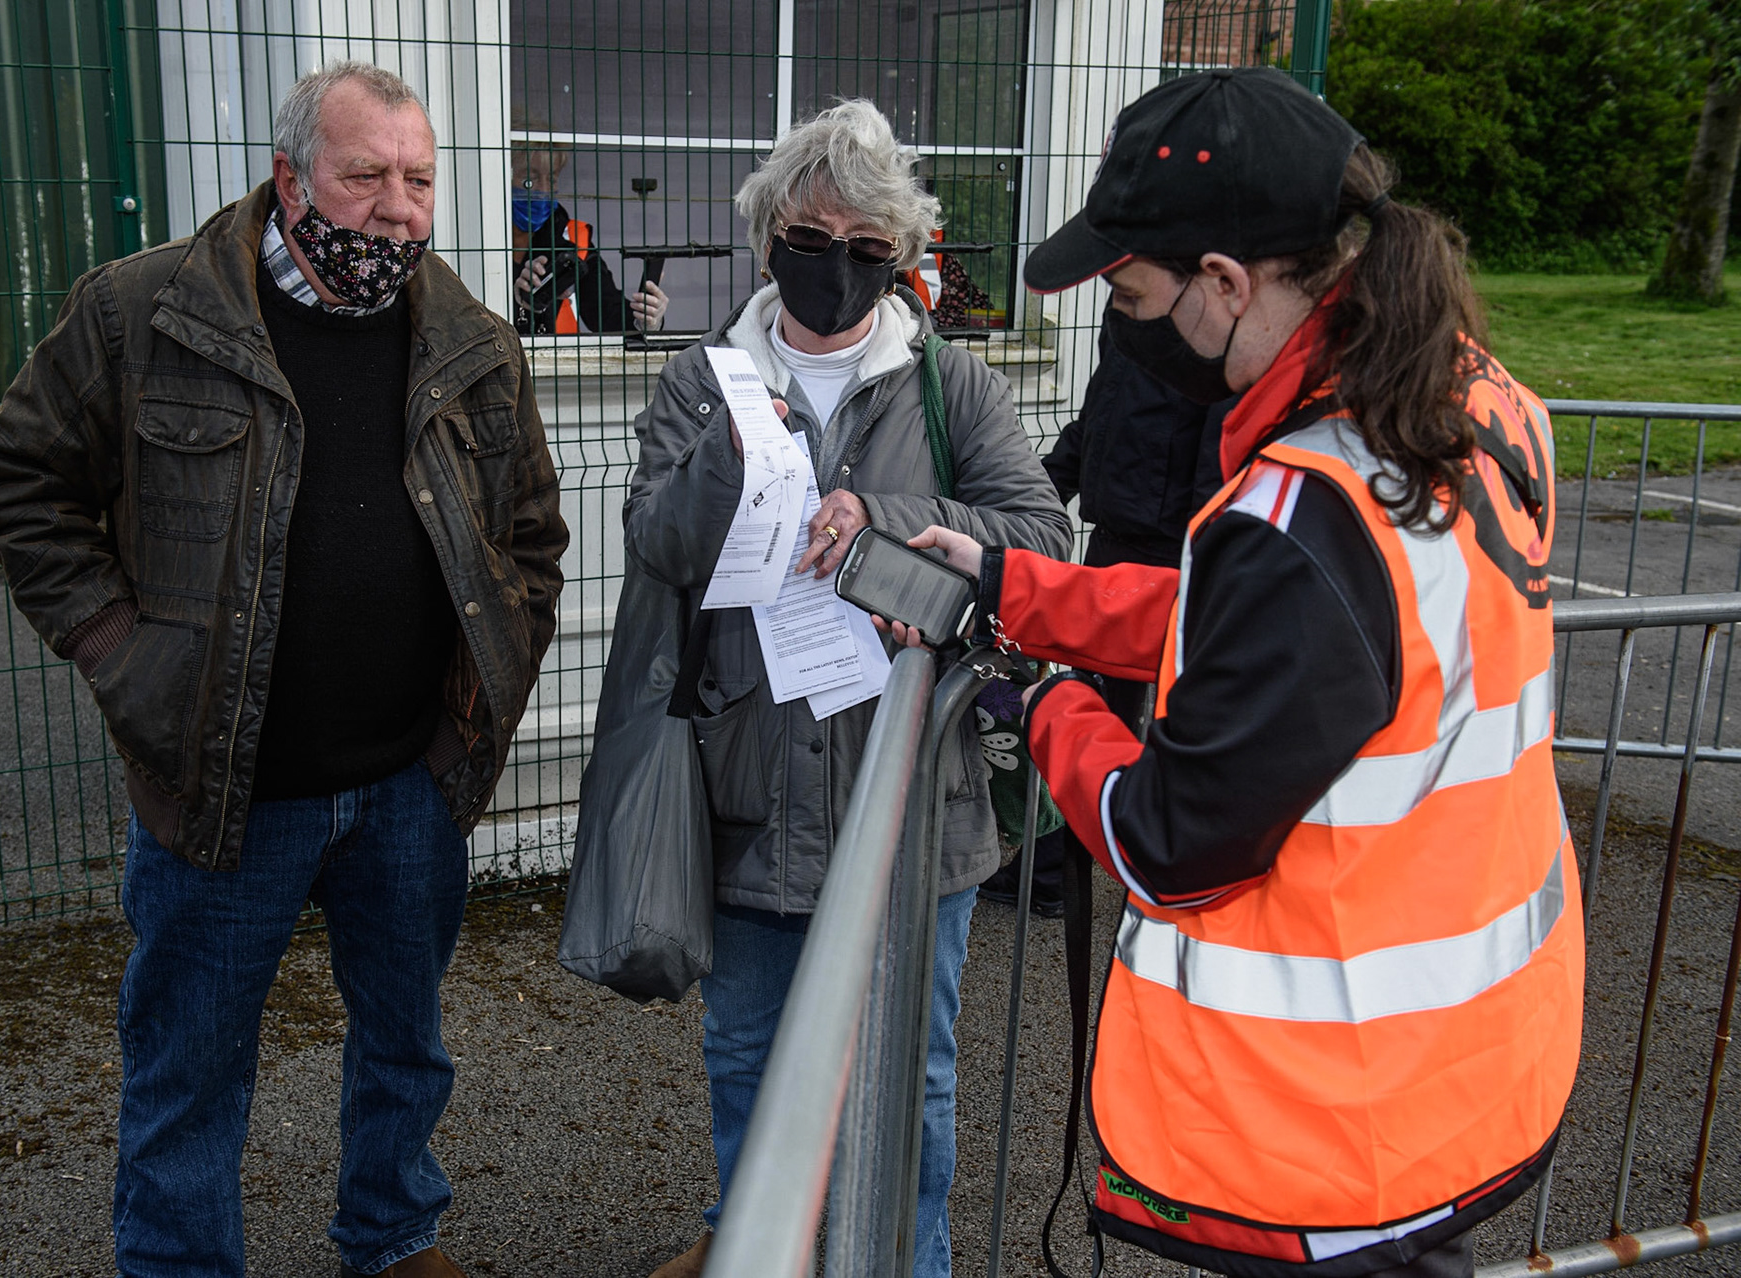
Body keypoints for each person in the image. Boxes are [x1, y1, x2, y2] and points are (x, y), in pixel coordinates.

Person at [898, 68, 1582, 1278]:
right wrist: (1017, 589)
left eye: (1134, 293)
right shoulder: (1473, 400)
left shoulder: (1301, 507)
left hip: (1340, 1107)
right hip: (1473, 1051)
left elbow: (1168, 838)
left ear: (1224, 282)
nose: (1127, 322)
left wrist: (1030, 694)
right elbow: (1297, 643)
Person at [0, 62, 569, 1278]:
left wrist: (474, 715)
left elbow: (530, 538)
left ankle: (392, 1237)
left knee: (408, 1044)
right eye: (364, 177)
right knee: (189, 1066)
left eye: (418, 179)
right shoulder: (145, 313)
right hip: (222, 789)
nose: (397, 209)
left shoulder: (472, 339)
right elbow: (18, 481)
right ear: (291, 175)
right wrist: (117, 654)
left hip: (409, 779)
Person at [609, 100, 1070, 1278]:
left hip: (916, 808)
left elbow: (1042, 540)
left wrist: (890, 521)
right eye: (813, 238)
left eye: (868, 245)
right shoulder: (704, 380)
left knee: (910, 1095)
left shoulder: (946, 386)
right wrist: (732, 451)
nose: (839, 266)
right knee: (755, 1084)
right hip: (752, 804)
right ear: (768, 239)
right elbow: (658, 544)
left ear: (901, 258)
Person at [979, 333, 1230, 916]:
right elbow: (1093, 424)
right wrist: (1034, 496)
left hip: (1171, 557)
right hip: (1117, 542)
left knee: (1132, 723)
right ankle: (1054, 870)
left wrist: (1206, 555)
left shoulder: (1207, 327)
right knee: (1094, 708)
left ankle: (1077, 872)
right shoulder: (1129, 323)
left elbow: (1217, 451)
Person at [510, 114, 668, 334]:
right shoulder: (475, 240)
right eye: (530, 180)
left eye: (552, 179)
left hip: (557, 367)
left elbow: (606, 313)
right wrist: (519, 302)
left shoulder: (573, 239)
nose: (544, 191)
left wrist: (646, 322)